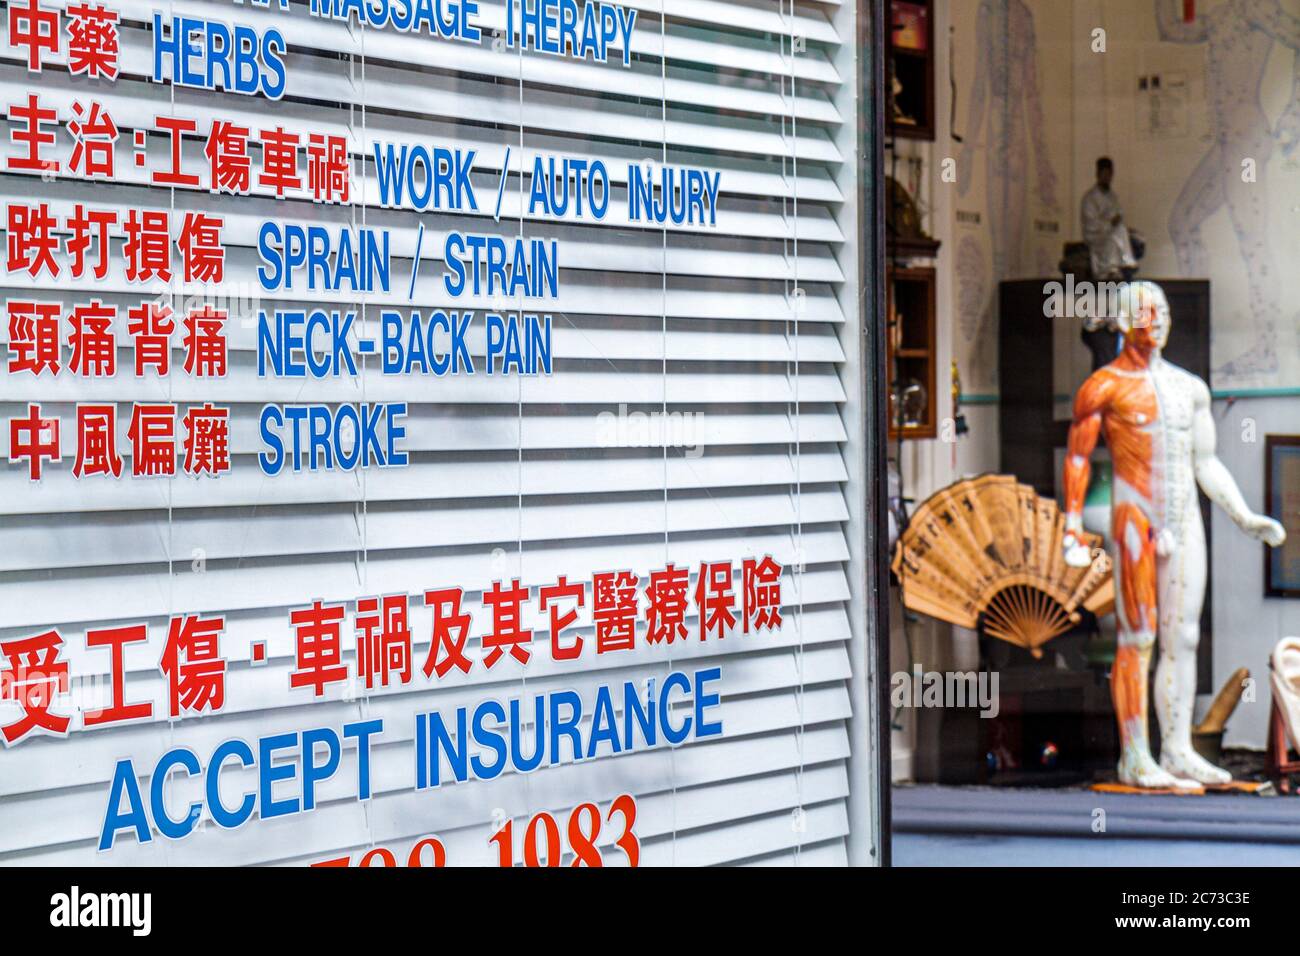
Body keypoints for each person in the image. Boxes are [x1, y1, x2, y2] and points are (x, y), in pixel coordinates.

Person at [1062, 282, 1286, 790]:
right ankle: (1135, 754)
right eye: (1145, 314)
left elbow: (1205, 462)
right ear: (1122, 322)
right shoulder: (1103, 386)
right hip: (1135, 520)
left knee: (1183, 639)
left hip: (1185, 519)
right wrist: (1072, 526)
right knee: (1137, 638)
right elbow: (1078, 456)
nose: (1157, 321)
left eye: (1162, 312)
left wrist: (1243, 515)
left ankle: (1178, 747)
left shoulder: (1191, 389)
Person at [1081, 157, 1142, 280]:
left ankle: (1126, 263)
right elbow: (1090, 224)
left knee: (1123, 231)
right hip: (1096, 235)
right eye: (1104, 174)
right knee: (1113, 238)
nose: (1107, 177)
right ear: (1098, 174)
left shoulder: (1112, 196)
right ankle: (1110, 270)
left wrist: (1116, 221)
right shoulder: (1090, 198)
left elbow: (1118, 214)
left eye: (1109, 174)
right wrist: (1108, 224)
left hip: (1112, 231)